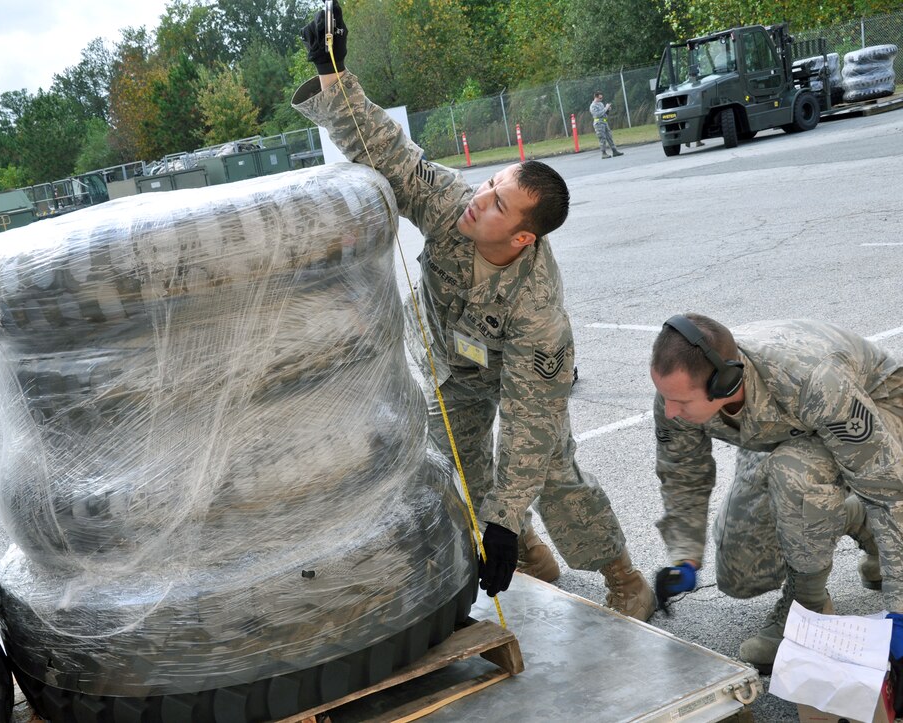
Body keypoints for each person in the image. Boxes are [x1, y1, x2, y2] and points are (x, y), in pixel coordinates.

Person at [294, 1, 655, 621]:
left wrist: (505, 525)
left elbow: (528, 425)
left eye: (497, 205)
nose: (478, 201)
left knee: (553, 476)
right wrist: (334, 75)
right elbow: (391, 155)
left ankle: (623, 576)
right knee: (463, 470)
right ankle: (536, 561)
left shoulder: (537, 313)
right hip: (449, 367)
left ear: (522, 238)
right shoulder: (454, 207)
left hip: (515, 380)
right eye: (488, 186)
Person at [650, 314, 902, 672]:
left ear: (726, 383)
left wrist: (901, 611)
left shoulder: (815, 381)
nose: (669, 410)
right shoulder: (675, 394)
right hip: (787, 428)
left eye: (682, 402)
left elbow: (889, 492)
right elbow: (683, 473)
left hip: (879, 406)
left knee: (795, 473)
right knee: (742, 573)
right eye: (665, 396)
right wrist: (685, 555)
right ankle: (853, 518)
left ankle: (807, 610)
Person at [589, 92, 623, 159]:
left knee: (609, 137)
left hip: (604, 122)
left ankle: (614, 151)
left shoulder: (601, 104)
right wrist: (605, 108)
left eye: (602, 98)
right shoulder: (593, 106)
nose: (601, 99)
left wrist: (608, 110)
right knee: (602, 138)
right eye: (600, 98)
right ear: (596, 97)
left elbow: (605, 114)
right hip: (598, 123)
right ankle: (603, 153)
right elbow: (598, 114)